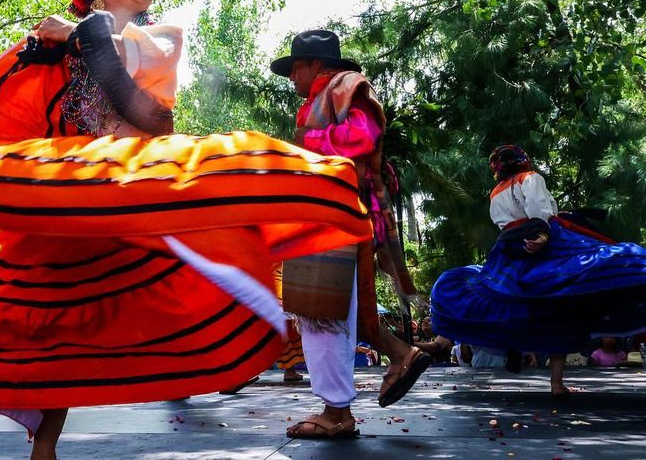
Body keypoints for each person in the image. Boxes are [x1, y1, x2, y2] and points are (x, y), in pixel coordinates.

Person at [0, 0, 376, 460]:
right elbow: (9, 114)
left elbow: (152, 119)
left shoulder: (161, 39)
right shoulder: (50, 44)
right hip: (61, 197)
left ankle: (43, 450)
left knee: (65, 328)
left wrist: (80, 36)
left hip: (126, 195)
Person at [271, 30, 431, 439]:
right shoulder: (322, 97)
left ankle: (337, 413)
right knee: (333, 309)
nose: (292, 77)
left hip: (340, 215)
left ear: (317, 65)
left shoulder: (346, 85)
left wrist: (306, 144)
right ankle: (400, 355)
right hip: (326, 214)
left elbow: (363, 136)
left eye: (296, 68)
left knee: (320, 309)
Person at [431, 145, 646, 395]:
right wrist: (543, 235)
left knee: (508, 300)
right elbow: (538, 211)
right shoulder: (530, 178)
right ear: (522, 160)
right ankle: (556, 383)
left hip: (508, 248)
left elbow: (508, 222)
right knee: (570, 296)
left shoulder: (496, 192)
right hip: (540, 239)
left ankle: (511, 346)